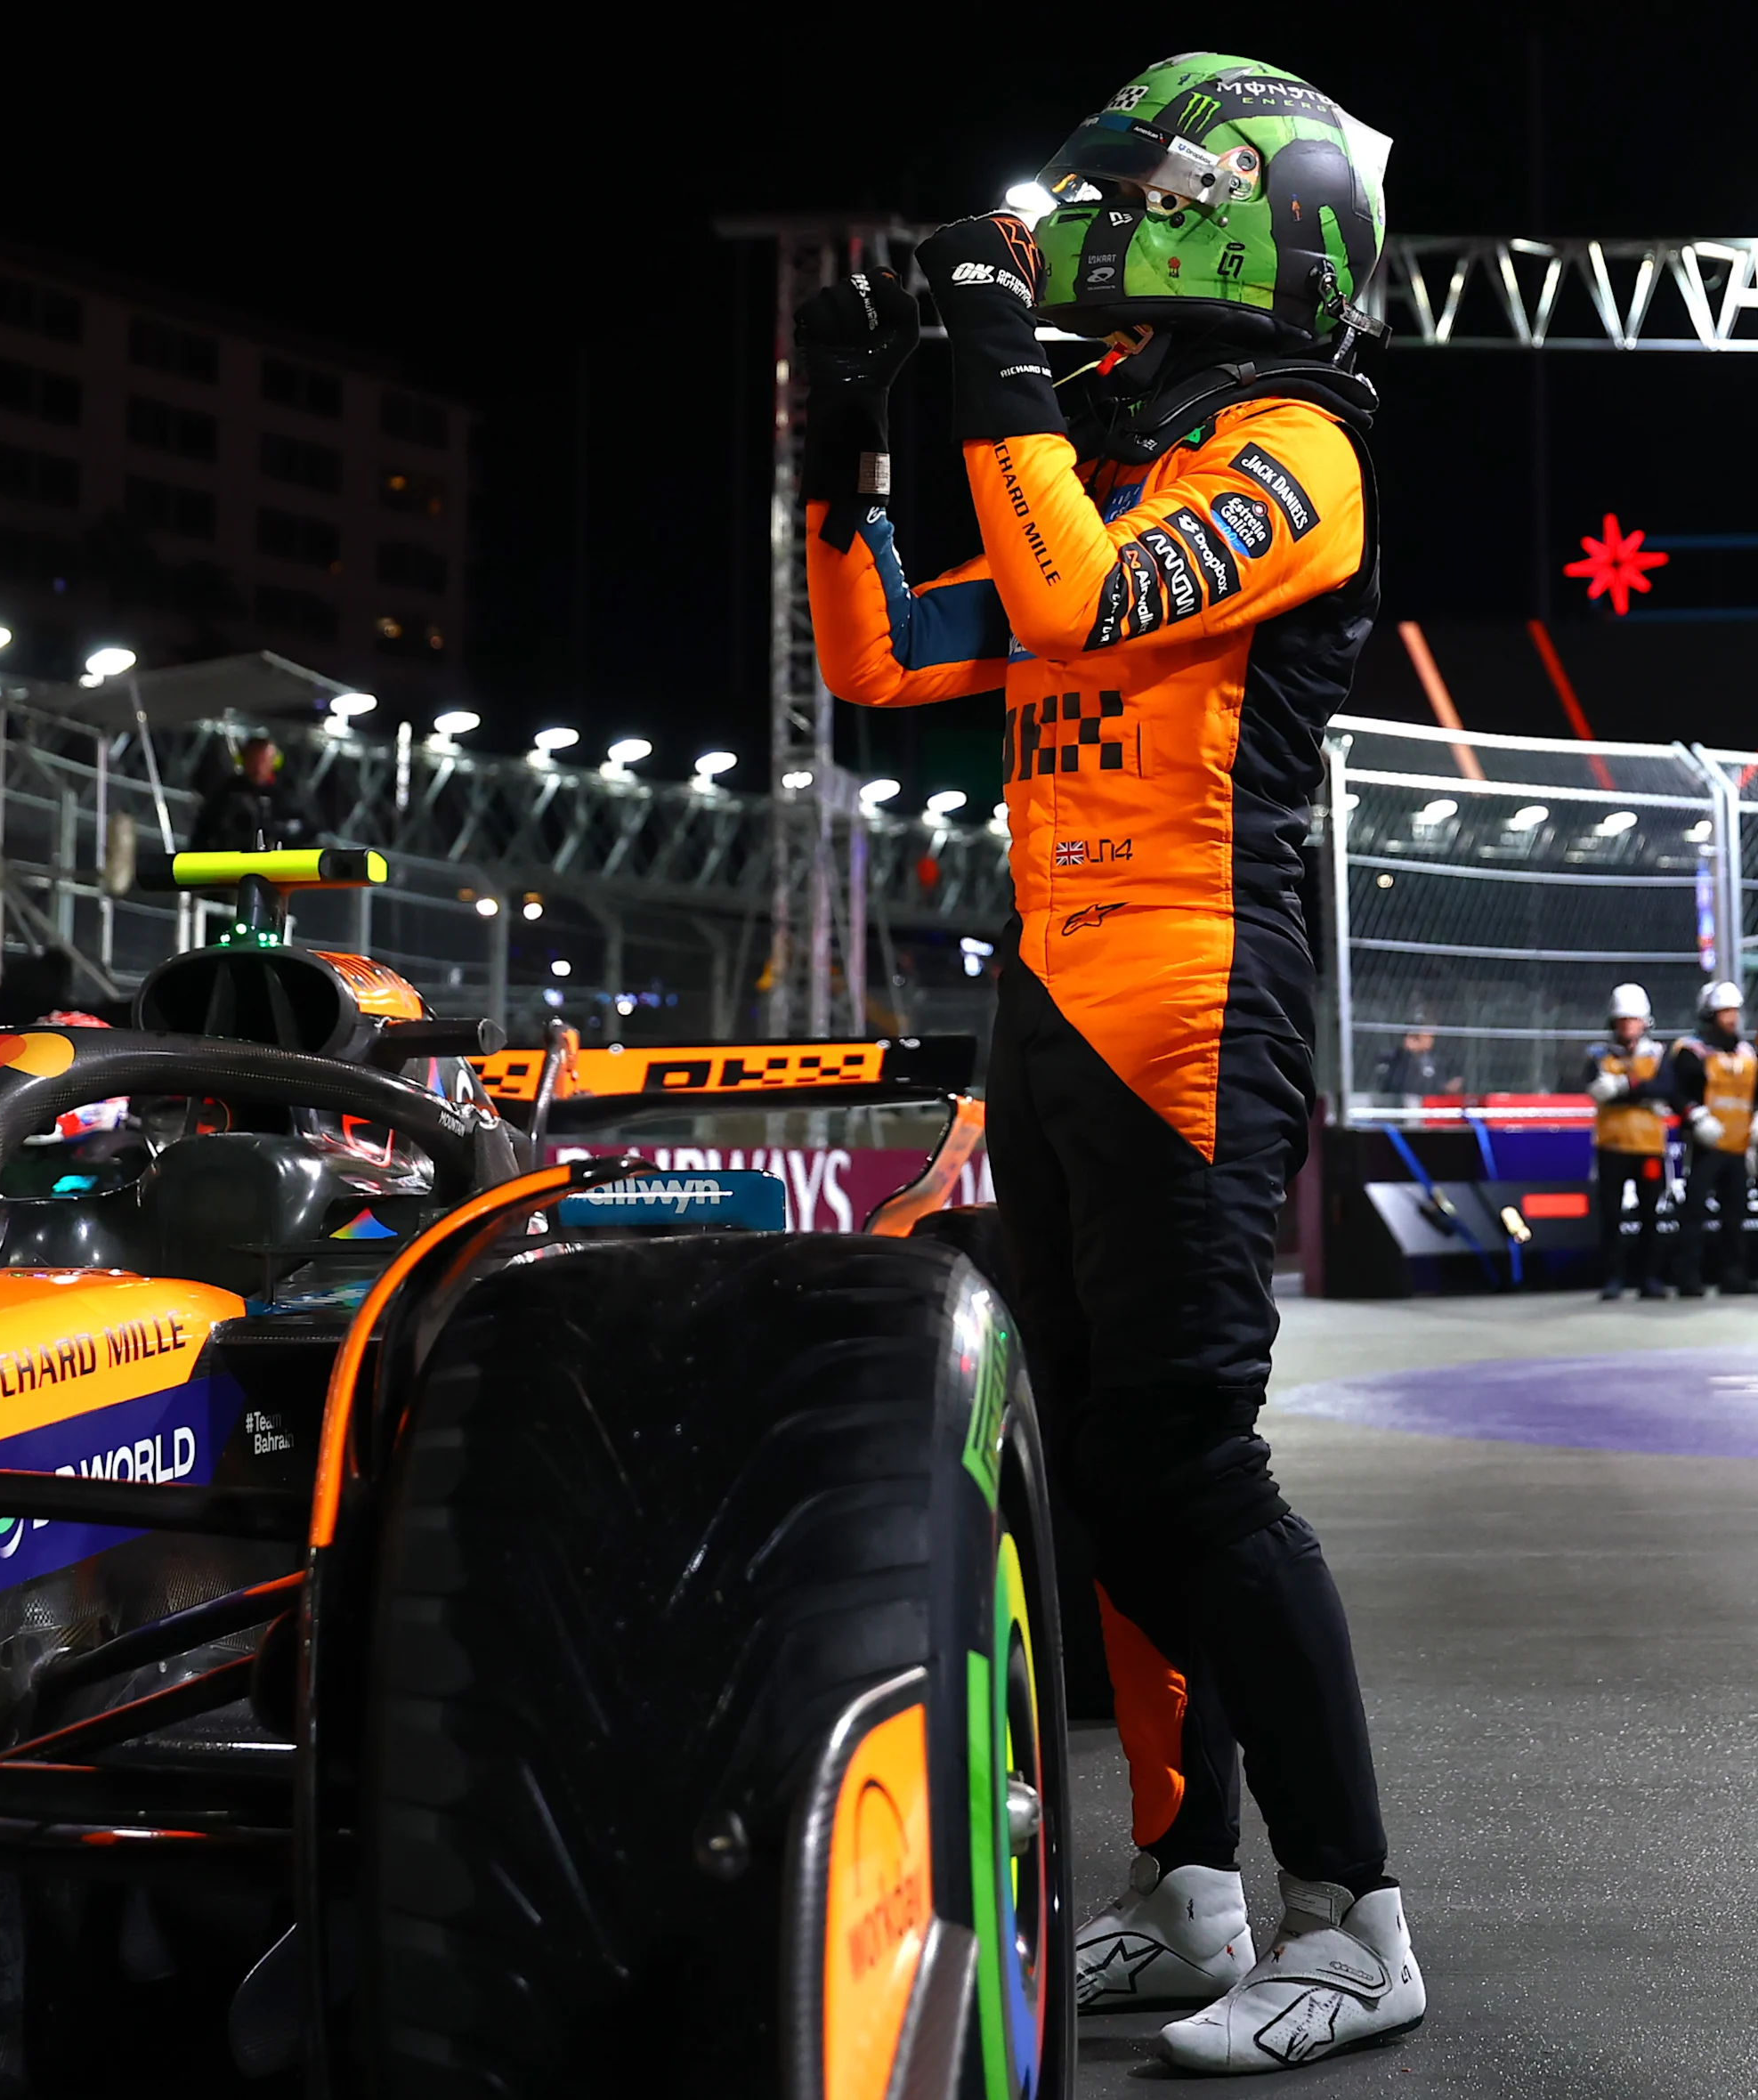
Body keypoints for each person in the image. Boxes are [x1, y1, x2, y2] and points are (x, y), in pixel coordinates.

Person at [799, 55, 1421, 2072]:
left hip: (1191, 989)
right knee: (1092, 1460)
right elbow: (887, 650)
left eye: (1138, 229)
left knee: (1185, 1461)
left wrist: (981, 354)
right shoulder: (1130, 470)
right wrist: (844, 428)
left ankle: (1357, 1916)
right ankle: (1191, 1889)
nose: (1091, 270)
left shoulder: (1295, 457)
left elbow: (1058, 593)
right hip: (1054, 990)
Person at [1582, 983, 1671, 1301]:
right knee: (1611, 1216)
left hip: (1648, 1147)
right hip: (1612, 1146)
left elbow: (1664, 1088)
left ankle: (1650, 1278)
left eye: (1633, 1020)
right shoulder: (1599, 1055)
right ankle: (1613, 1278)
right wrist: (1640, 1090)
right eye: (1622, 1020)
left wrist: (1622, 1086)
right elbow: (1594, 1087)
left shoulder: (1659, 1054)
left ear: (1645, 1022)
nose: (1628, 1026)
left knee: (1650, 1215)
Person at [1663, 981, 1751, 1297]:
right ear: (1709, 1015)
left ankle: (1734, 1274)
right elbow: (1675, 1090)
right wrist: (1695, 1115)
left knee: (1735, 1212)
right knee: (1695, 1211)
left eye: (1734, 1011)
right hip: (1706, 1143)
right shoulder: (1692, 1051)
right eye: (1724, 1012)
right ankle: (1688, 1275)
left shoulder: (1746, 1053)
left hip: (1738, 1145)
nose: (1731, 1018)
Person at [195, 734, 314, 852]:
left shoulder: (288, 792)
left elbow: (308, 829)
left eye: (263, 760)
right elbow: (204, 829)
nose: (258, 767)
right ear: (243, 760)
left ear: (273, 762)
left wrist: (276, 829)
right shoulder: (227, 791)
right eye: (253, 759)